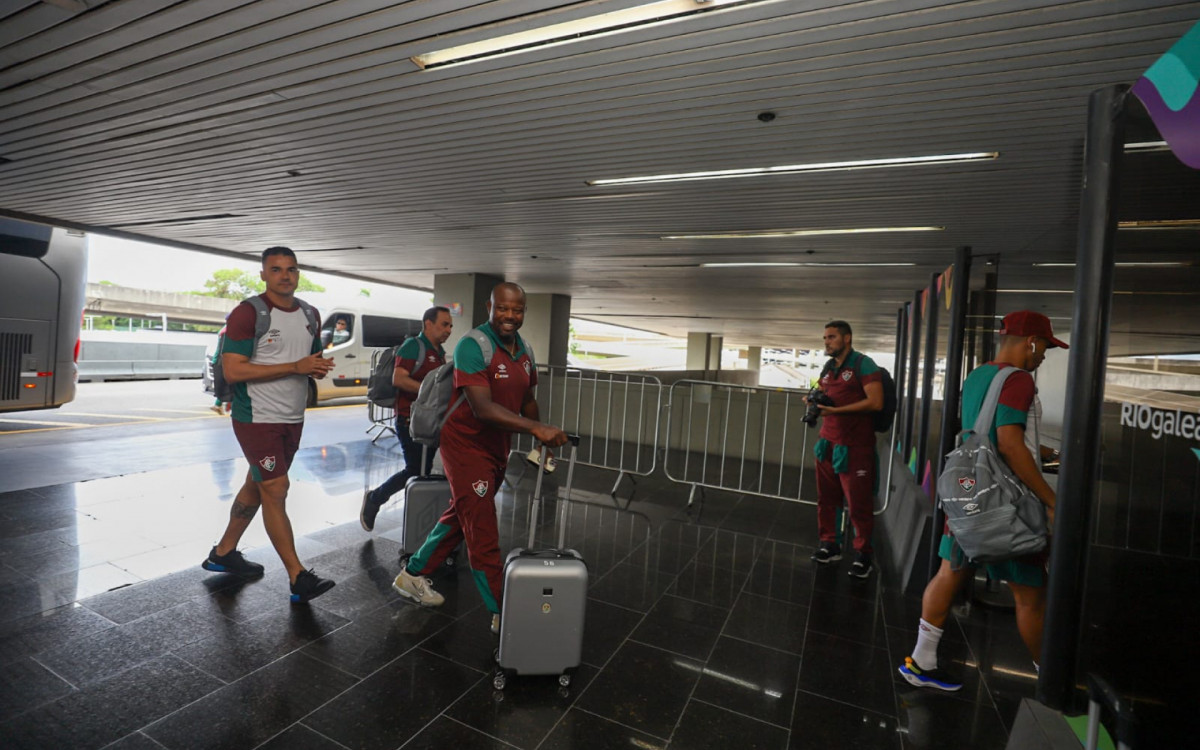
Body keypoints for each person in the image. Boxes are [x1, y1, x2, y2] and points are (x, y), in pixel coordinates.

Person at [899, 310, 1066, 691]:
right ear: (1031, 342)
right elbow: (1007, 443)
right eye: (1045, 348)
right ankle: (1051, 682)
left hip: (967, 493)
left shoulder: (977, 375)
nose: (1044, 356)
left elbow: (985, 433)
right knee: (1029, 596)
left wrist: (1042, 452)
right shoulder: (1020, 379)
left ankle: (921, 661)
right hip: (1007, 504)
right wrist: (1050, 498)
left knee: (949, 572)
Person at [391, 282, 568, 634]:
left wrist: (539, 429)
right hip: (466, 446)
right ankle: (503, 611)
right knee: (482, 526)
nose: (510, 316)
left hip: (496, 447)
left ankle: (413, 575)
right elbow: (483, 408)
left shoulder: (524, 350)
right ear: (490, 306)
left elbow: (527, 399)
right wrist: (535, 429)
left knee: (464, 512)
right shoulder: (475, 345)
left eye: (517, 310)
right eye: (503, 308)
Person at [200, 246, 338, 604]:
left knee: (257, 484)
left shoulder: (310, 313)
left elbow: (309, 357)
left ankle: (224, 552)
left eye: (291, 269)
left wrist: (316, 365)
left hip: (292, 418)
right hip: (256, 418)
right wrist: (295, 367)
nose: (285, 276)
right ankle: (298, 577)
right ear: (263, 274)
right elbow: (233, 370)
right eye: (276, 269)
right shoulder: (248, 313)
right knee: (276, 489)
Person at [359, 305, 454, 531]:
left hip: (427, 422)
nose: (449, 330)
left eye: (450, 325)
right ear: (428, 324)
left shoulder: (438, 352)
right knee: (415, 469)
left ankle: (419, 520)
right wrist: (428, 392)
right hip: (408, 420)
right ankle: (375, 499)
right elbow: (399, 379)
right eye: (445, 324)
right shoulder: (413, 346)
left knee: (422, 469)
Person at [808, 320, 884, 578]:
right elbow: (821, 390)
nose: (826, 341)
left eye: (831, 337)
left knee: (859, 504)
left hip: (855, 447)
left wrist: (836, 410)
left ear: (847, 338)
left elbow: (875, 402)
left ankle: (863, 555)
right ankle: (830, 545)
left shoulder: (864, 364)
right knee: (826, 500)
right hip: (827, 444)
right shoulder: (829, 368)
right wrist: (813, 400)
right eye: (825, 337)